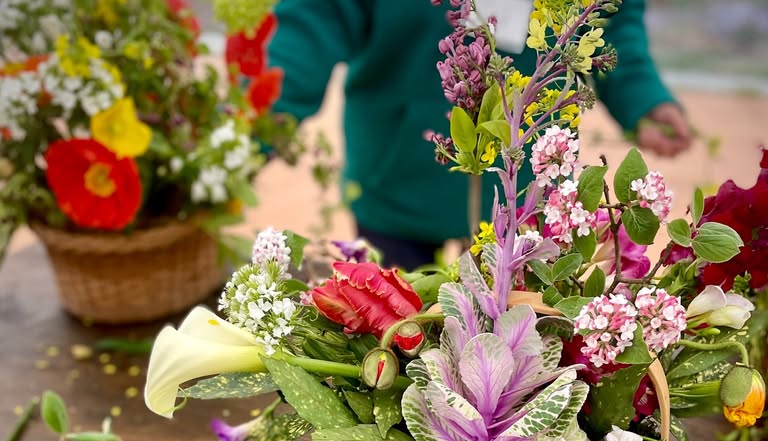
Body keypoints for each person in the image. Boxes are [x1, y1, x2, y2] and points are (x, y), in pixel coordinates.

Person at [268, 0, 692, 269]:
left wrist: (642, 98)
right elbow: (314, 20)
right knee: (393, 344)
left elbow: (609, 20)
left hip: (529, 186)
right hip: (398, 178)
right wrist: (258, 122)